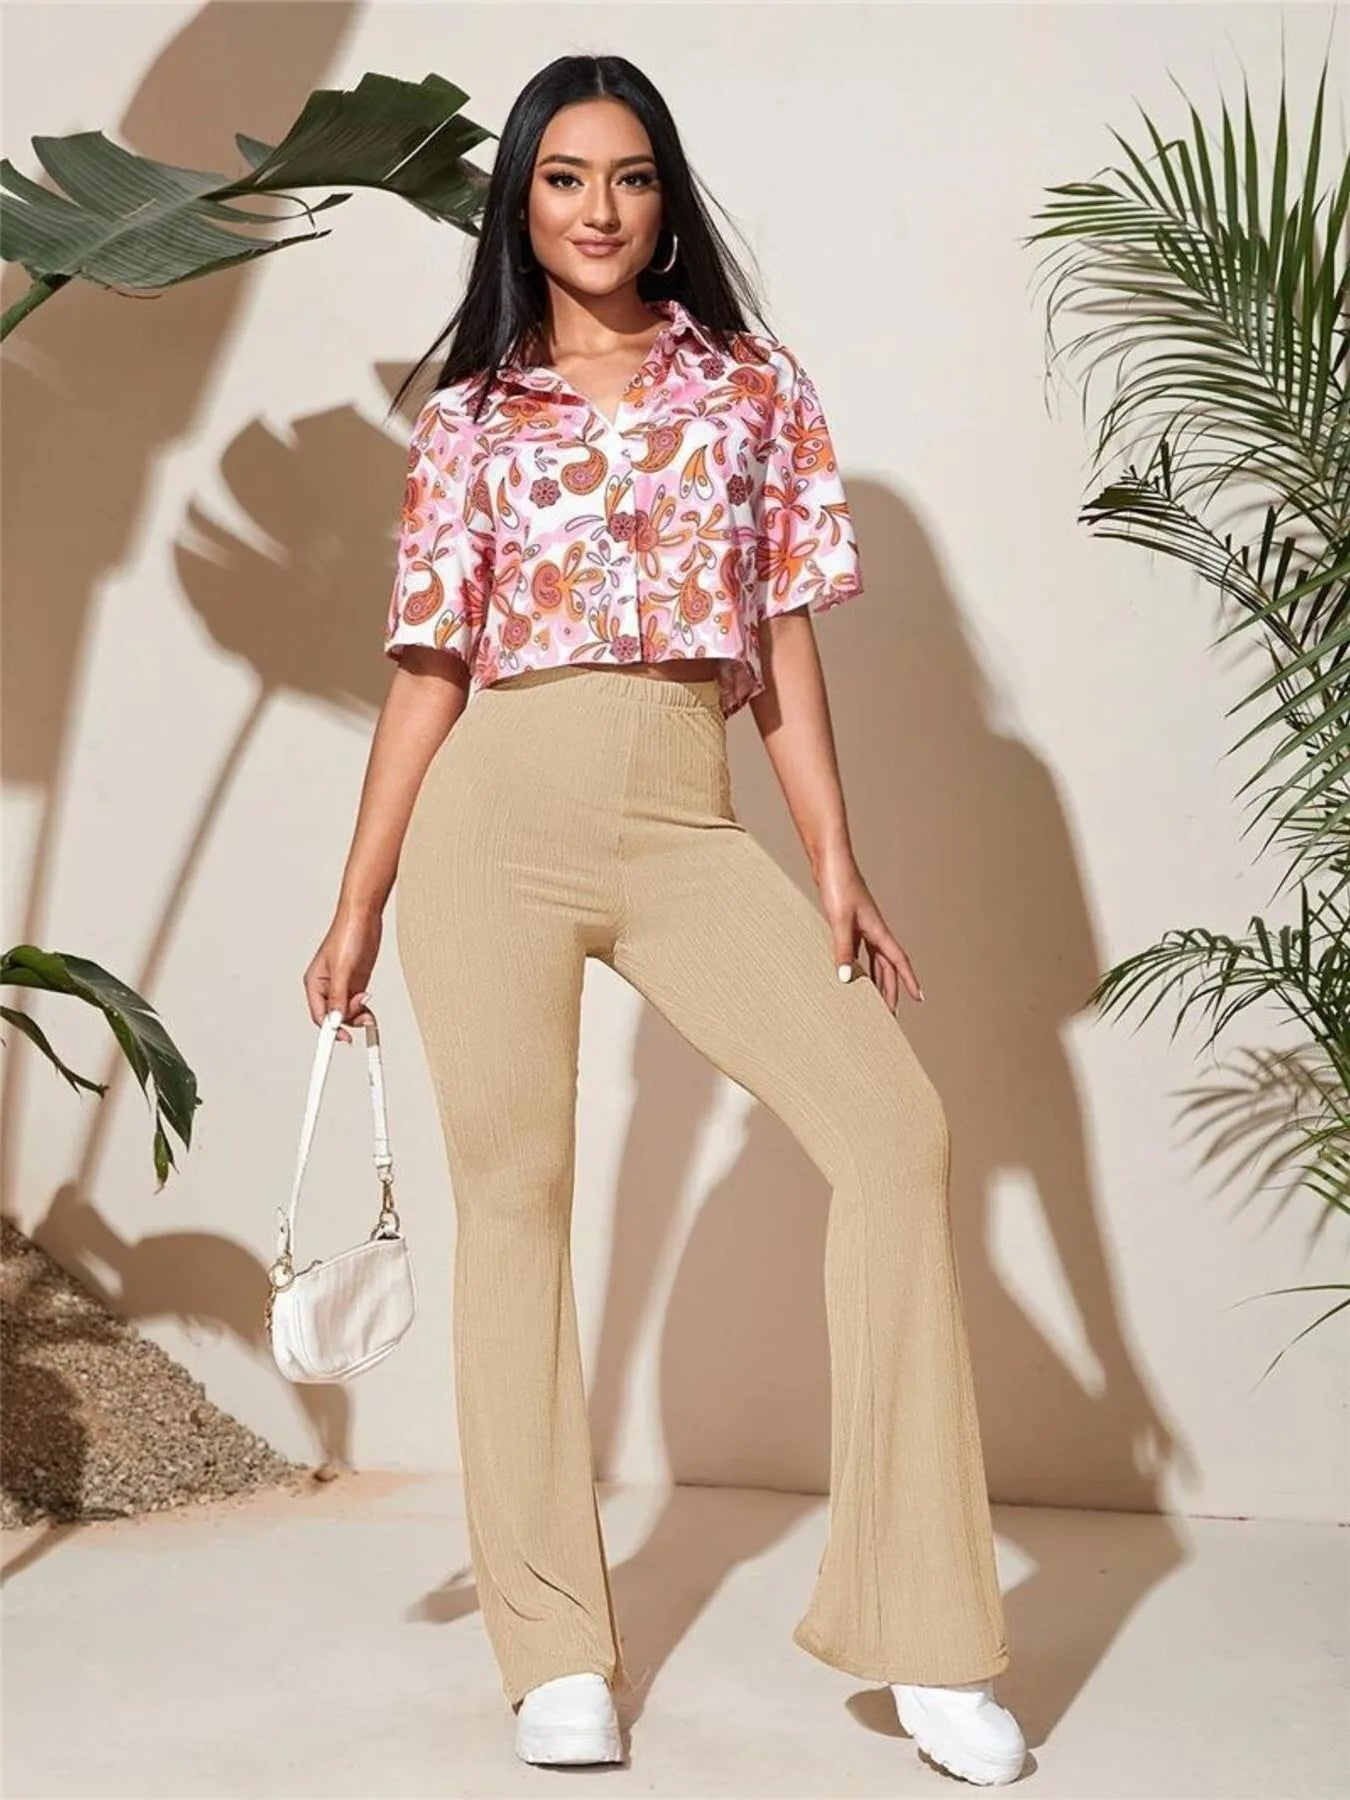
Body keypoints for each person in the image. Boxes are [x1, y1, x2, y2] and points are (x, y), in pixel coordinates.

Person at [304, 52, 1027, 1790]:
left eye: (628, 177)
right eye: (562, 180)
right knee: (518, 1204)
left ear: (665, 193)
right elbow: (426, 672)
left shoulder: (753, 388)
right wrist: (357, 896)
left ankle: (925, 1640)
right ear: (522, 204)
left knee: (894, 1135)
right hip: (497, 818)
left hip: (682, 809)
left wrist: (832, 860)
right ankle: (553, 1646)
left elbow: (782, 641)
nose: (600, 210)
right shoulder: (473, 416)